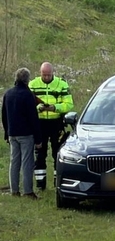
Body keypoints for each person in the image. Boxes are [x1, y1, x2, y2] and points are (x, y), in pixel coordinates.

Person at [29, 61, 74, 191]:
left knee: (58, 153)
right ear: (40, 73)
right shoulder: (33, 85)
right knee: (40, 154)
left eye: (49, 75)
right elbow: (28, 104)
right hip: (40, 123)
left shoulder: (61, 84)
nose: (46, 77)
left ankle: (57, 183)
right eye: (44, 75)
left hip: (56, 123)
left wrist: (55, 108)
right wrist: (38, 108)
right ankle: (40, 185)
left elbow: (69, 104)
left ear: (53, 73)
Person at [3, 68, 43, 199]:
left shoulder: (8, 93)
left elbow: (4, 116)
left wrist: (6, 133)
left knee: (14, 161)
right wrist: (38, 139)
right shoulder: (28, 95)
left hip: (12, 133)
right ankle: (27, 191)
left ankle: (14, 190)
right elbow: (33, 118)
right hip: (26, 134)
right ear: (27, 80)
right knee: (27, 162)